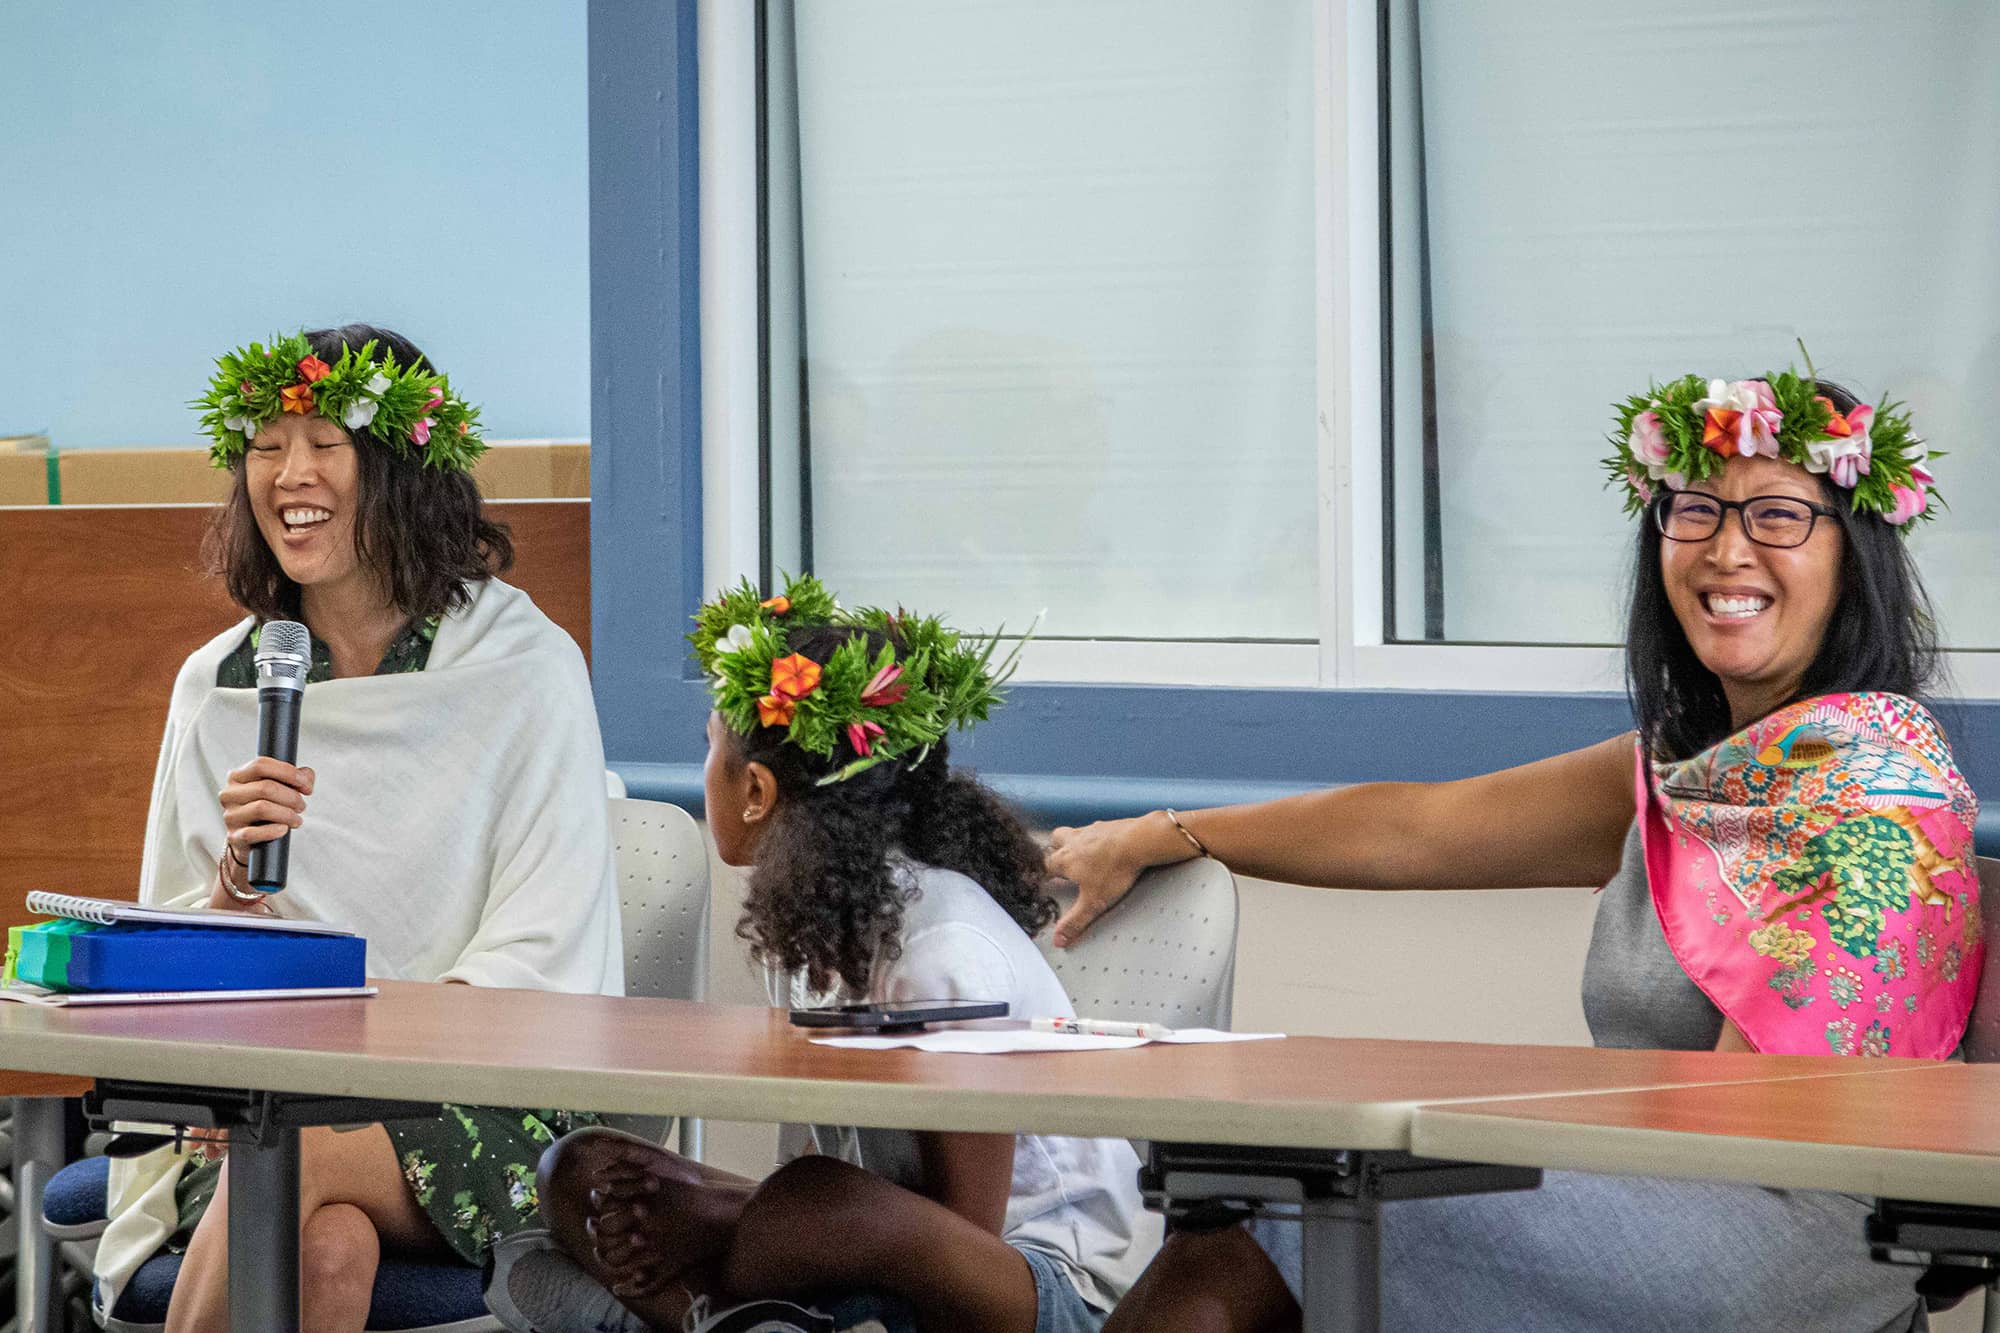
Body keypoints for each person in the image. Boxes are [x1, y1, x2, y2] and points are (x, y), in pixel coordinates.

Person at [1047, 364, 1979, 1332]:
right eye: (1693, 509)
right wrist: (1162, 832)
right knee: (1264, 1208)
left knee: (1276, 1219)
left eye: (1777, 516)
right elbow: (1415, 828)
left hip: (1773, 1227)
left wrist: (1479, 1126)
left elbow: (1762, 1118)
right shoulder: (1692, 766)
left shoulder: (1868, 779)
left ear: (1853, 553)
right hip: (1658, 1178)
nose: (1725, 549)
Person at [97, 326, 625, 1333]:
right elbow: (161, 967)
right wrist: (228, 903)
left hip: (488, 1100)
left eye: (324, 441)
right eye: (265, 443)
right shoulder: (219, 685)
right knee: (327, 1245)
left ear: (399, 464)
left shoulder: (521, 664)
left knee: (301, 1157)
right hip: (262, 1095)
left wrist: (353, 1069)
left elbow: (544, 955)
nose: (290, 473)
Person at [486, 575, 1160, 1333]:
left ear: (756, 792)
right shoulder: (818, 921)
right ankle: (726, 1320)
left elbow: (966, 1227)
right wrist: (713, 1210)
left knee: (810, 1204)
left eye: (711, 747)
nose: (703, 768)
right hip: (881, 1245)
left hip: (1049, 1283)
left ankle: (674, 1314)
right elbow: (837, 1163)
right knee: (581, 1169)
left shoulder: (943, 951)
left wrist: (729, 1217)